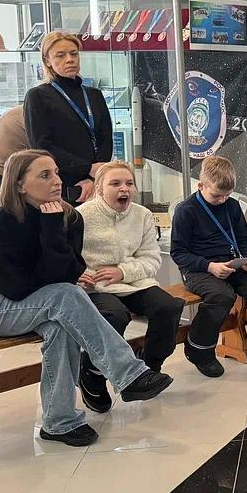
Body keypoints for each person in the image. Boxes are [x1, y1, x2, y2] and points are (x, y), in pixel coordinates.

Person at [0, 150, 172, 447]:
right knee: (65, 296)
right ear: (20, 184)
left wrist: (52, 228)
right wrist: (56, 271)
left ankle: (59, 423)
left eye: (57, 173)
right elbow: (13, 286)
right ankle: (128, 373)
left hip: (43, 301)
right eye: (45, 175)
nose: (57, 181)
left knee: (61, 327)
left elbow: (69, 271)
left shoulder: (69, 217)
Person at [78, 161, 185, 411]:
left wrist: (123, 272)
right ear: (99, 189)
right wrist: (79, 273)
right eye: (115, 183)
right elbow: (67, 256)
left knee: (168, 307)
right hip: (97, 286)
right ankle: (92, 374)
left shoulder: (142, 215)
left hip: (133, 281)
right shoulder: (80, 216)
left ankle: (149, 367)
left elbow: (151, 258)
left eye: (129, 183)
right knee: (114, 315)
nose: (124, 189)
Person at [171, 155, 247, 377]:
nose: (222, 200)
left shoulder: (232, 206)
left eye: (228, 195)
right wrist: (210, 266)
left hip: (231, 262)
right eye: (217, 195)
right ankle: (199, 349)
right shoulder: (186, 211)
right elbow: (178, 253)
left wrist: (246, 259)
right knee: (221, 296)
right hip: (198, 268)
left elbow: (242, 239)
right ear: (201, 186)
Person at [24, 31, 113, 204]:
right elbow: (41, 146)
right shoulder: (38, 96)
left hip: (95, 181)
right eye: (60, 55)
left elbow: (105, 138)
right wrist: (87, 168)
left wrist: (94, 176)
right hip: (60, 182)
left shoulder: (94, 95)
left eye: (74, 54)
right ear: (47, 61)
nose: (70, 59)